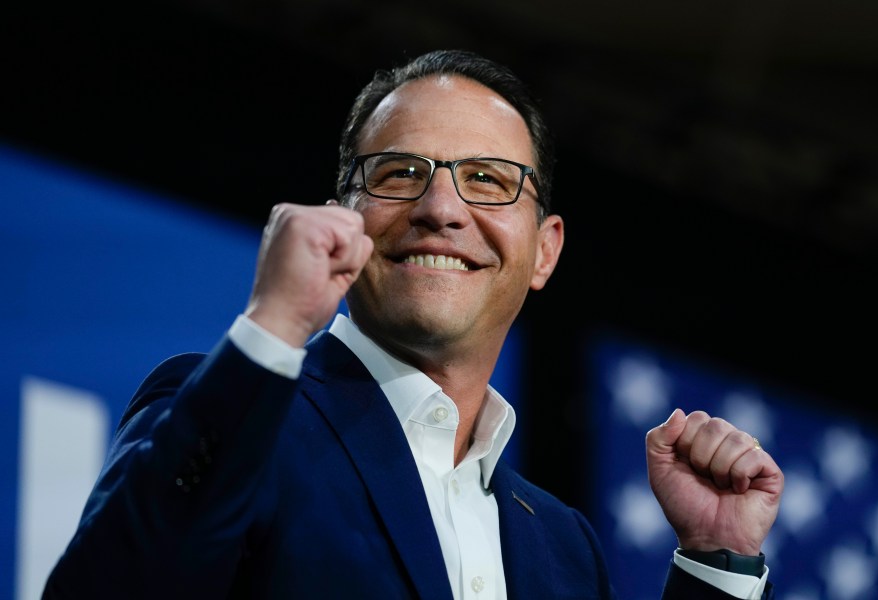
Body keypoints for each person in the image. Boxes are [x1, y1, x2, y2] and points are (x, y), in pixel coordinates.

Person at [42, 49, 783, 599]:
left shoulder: (561, 544)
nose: (441, 209)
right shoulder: (238, 416)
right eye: (399, 174)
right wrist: (272, 327)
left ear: (544, 251)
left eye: (488, 180)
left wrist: (716, 561)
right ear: (344, 216)